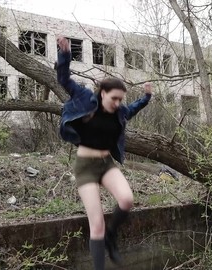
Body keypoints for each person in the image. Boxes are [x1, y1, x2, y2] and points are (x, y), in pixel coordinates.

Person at [55, 36, 152, 270]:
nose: (118, 103)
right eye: (114, 98)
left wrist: (147, 98)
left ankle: (112, 237)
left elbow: (134, 109)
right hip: (86, 166)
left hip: (106, 164)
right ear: (102, 93)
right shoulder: (86, 99)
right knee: (95, 223)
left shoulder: (120, 112)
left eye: (121, 99)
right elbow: (64, 79)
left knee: (127, 199)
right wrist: (65, 54)